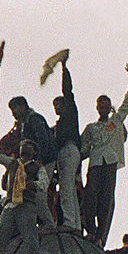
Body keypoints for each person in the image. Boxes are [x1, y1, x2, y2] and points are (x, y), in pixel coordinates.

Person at [0, 118, 53, 254]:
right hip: (9, 205)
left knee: (31, 241)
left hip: (26, 206)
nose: (23, 147)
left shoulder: (37, 167)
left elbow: (44, 184)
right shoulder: (12, 163)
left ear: (34, 151)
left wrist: (32, 185)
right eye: (22, 145)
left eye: (27, 145)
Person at [80, 61, 128, 247]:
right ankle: (91, 231)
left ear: (110, 106)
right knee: (90, 196)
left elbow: (127, 103)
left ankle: (101, 236)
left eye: (106, 104)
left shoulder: (115, 122)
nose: (103, 107)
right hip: (95, 163)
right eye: (100, 104)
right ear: (97, 107)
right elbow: (82, 147)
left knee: (106, 199)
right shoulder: (91, 128)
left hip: (110, 162)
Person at [51, 55, 81, 231]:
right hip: (66, 151)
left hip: (69, 149)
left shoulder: (70, 113)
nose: (56, 108)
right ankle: (74, 223)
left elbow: (67, 91)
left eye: (58, 104)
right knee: (69, 188)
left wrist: (64, 68)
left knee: (66, 188)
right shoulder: (59, 124)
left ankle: (70, 221)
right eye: (54, 105)